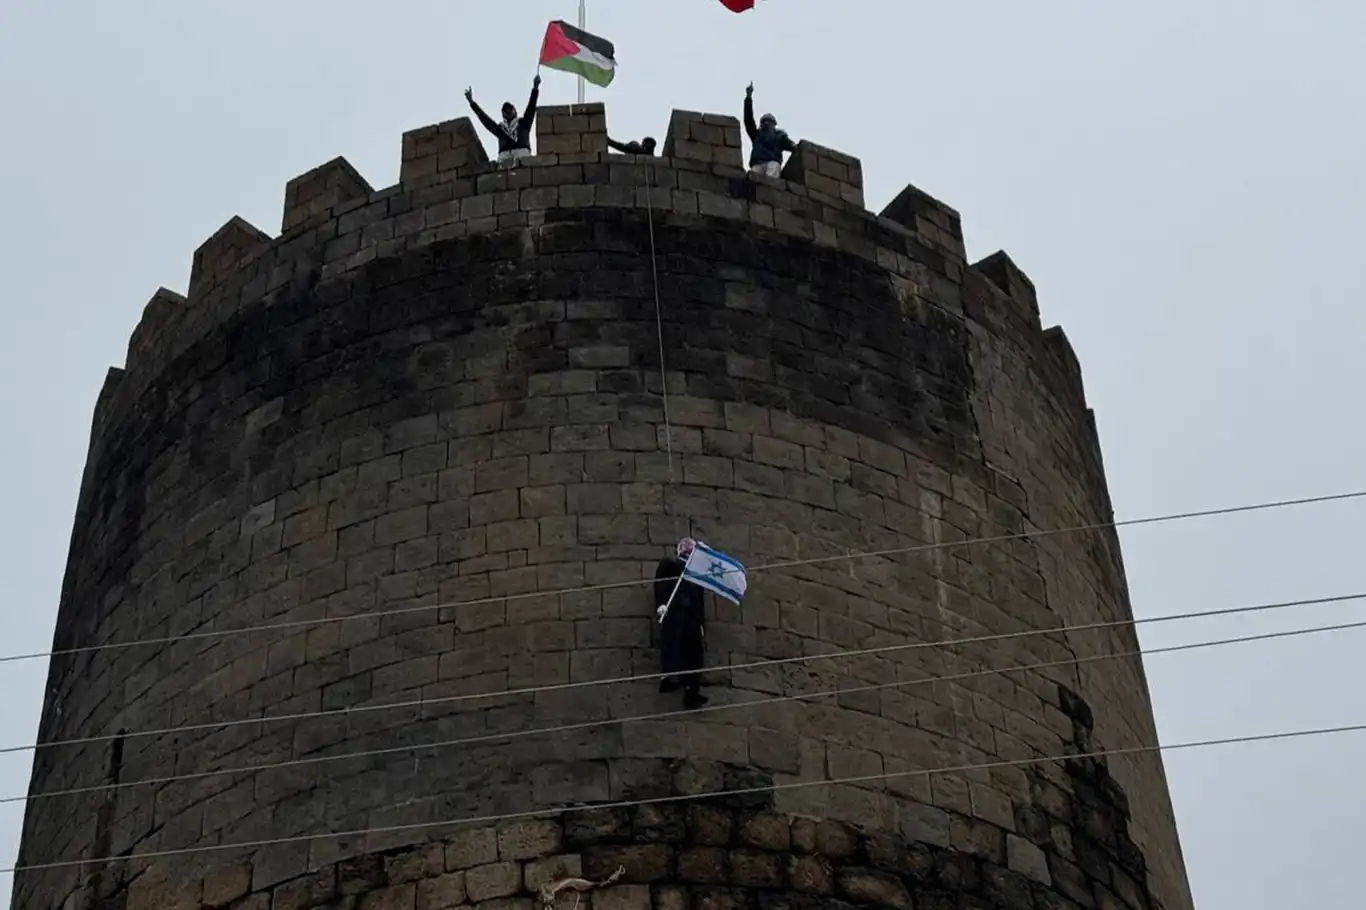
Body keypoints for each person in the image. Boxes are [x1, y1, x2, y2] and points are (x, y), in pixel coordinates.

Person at [654, 537, 708, 709]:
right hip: (675, 610)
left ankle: (692, 689)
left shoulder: (697, 575)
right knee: (672, 642)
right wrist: (661, 604)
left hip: (691, 616)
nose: (688, 550)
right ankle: (668, 676)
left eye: (690, 548)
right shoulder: (670, 564)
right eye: (685, 547)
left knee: (695, 652)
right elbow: (661, 585)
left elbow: (700, 601)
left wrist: (701, 623)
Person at [465, 75, 541, 168]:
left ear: (515, 111)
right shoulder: (501, 129)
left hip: (521, 152)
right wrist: (472, 103)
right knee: (500, 168)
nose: (508, 112)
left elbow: (531, 107)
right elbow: (485, 120)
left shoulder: (523, 123)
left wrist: (535, 88)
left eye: (510, 109)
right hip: (504, 155)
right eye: (505, 111)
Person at [743, 82, 796, 178]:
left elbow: (792, 146)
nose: (766, 123)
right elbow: (748, 118)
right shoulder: (756, 135)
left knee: (773, 169)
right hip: (758, 163)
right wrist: (748, 97)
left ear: (774, 124)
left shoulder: (780, 136)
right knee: (753, 176)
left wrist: (796, 147)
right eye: (764, 121)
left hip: (772, 162)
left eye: (769, 121)